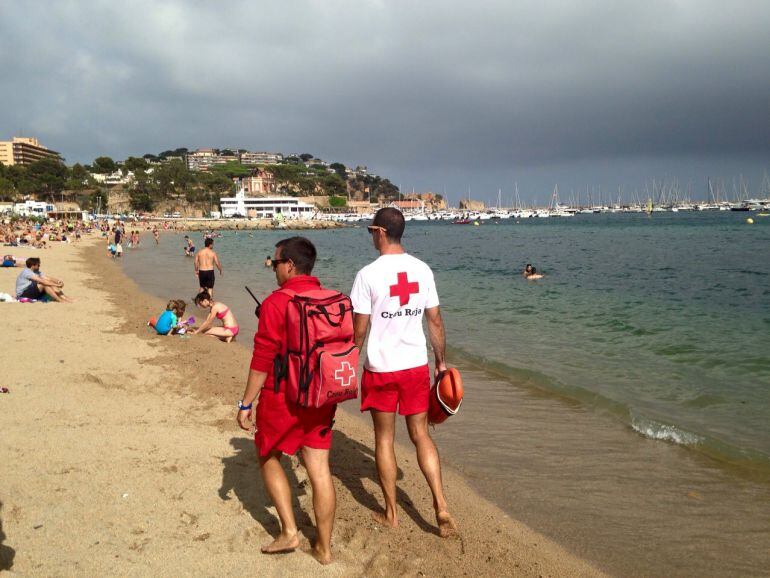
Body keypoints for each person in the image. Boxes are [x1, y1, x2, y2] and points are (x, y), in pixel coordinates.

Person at [351, 207, 457, 537]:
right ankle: (440, 504)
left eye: (371, 231)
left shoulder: (367, 274)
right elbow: (435, 321)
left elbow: (359, 331)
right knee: (420, 434)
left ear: (380, 232)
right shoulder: (422, 270)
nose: (371, 236)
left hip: (381, 368)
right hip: (414, 366)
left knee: (384, 438)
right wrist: (440, 363)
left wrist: (345, 362)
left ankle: (392, 513)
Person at [235, 237, 337, 565]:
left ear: (290, 265)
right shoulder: (332, 298)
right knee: (319, 468)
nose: (274, 267)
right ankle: (324, 548)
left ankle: (290, 532)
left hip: (284, 397)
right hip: (322, 395)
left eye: (275, 262)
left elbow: (263, 357)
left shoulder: (277, 302)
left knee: (267, 453)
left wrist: (246, 403)